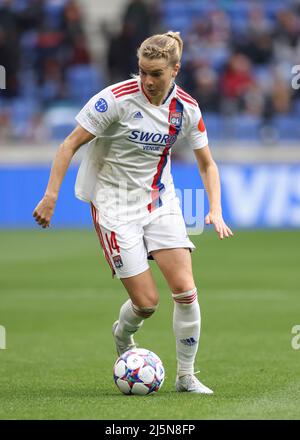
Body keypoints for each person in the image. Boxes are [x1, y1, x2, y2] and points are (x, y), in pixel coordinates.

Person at [33, 31, 233, 394]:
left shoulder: (187, 109)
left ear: (175, 69)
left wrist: (215, 209)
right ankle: (123, 335)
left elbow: (207, 164)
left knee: (186, 291)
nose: (148, 81)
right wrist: (51, 196)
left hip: (160, 202)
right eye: (142, 72)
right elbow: (69, 145)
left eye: (156, 73)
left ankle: (186, 376)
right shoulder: (115, 100)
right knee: (147, 303)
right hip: (113, 206)